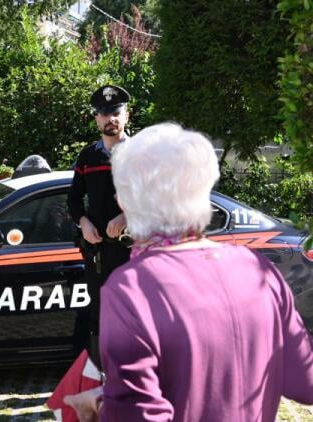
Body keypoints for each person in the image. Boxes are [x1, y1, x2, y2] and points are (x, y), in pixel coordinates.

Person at [64, 123, 313, 421]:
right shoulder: (258, 269)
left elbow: (138, 416)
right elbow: (306, 382)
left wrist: (97, 408)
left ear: (125, 202)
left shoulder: (129, 288)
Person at [67, 85, 132, 365]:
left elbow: (157, 200)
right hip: (98, 255)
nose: (110, 119)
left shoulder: (140, 154)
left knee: (132, 313)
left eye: (116, 113)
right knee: (99, 315)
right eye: (104, 114)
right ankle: (102, 377)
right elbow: (73, 200)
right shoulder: (88, 157)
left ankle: (132, 377)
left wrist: (126, 217)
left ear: (126, 115)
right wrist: (83, 222)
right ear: (96, 119)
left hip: (132, 252)